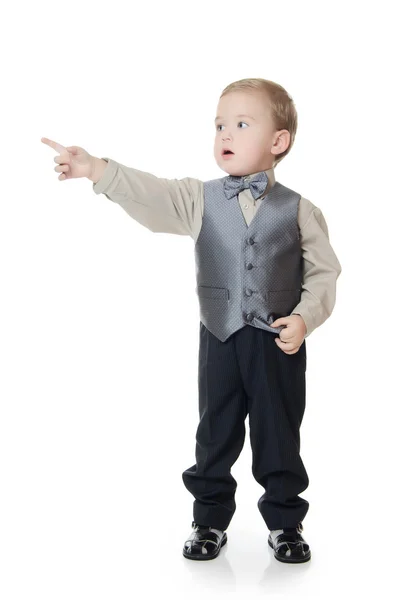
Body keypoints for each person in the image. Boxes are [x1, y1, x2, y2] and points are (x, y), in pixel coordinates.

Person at [41, 77, 342, 564]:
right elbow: (152, 194)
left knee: (279, 431)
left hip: (277, 343)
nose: (225, 133)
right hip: (219, 337)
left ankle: (286, 522)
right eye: (220, 124)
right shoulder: (199, 199)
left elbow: (325, 274)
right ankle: (208, 519)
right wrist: (96, 169)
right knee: (215, 430)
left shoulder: (300, 210)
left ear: (278, 141)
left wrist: (304, 320)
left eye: (241, 124)